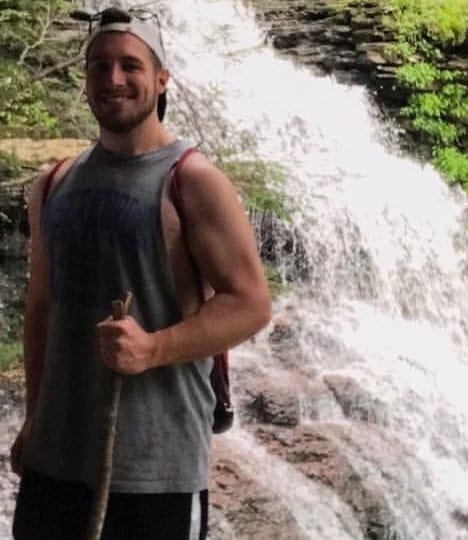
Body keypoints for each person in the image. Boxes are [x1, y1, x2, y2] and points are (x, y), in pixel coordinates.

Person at [10, 6, 272, 540]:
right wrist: (34, 418)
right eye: (98, 66)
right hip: (54, 466)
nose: (113, 79)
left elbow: (249, 304)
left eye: (130, 65)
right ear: (85, 81)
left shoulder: (192, 180)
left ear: (161, 79)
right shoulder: (52, 184)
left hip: (156, 474)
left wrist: (152, 349)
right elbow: (40, 310)